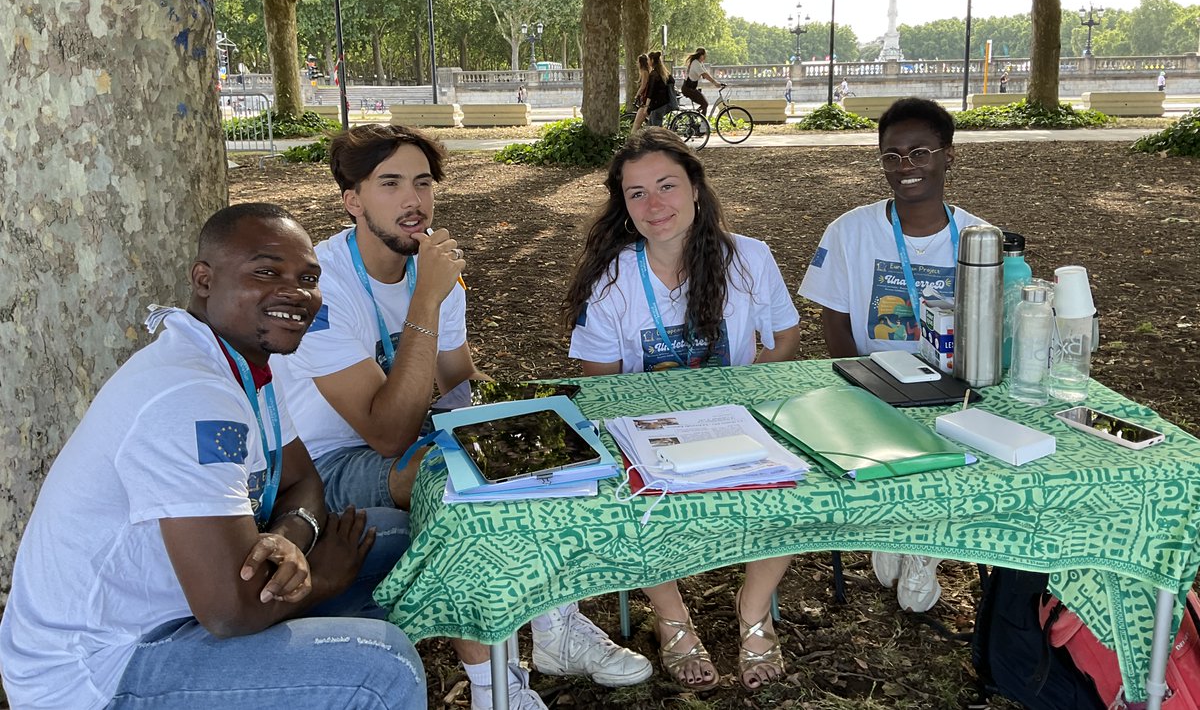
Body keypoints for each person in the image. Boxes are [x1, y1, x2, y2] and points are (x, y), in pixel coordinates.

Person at [273, 124, 651, 710]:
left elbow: (458, 383)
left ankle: (555, 631)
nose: (412, 201)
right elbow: (385, 432)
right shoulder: (325, 284)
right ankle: (494, 690)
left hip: (418, 438)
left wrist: (522, 435)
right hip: (330, 465)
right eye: (390, 183)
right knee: (451, 482)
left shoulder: (439, 274)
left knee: (540, 453)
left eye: (423, 183)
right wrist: (427, 297)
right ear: (353, 201)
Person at [0, 203, 424, 710]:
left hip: (188, 607)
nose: (295, 292)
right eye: (266, 272)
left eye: (309, 277)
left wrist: (288, 540)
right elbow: (232, 611)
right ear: (204, 278)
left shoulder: (244, 369)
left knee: (394, 539)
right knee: (381, 669)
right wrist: (323, 577)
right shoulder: (187, 394)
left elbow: (302, 483)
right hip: (101, 666)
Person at [563, 128, 802, 692]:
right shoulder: (612, 277)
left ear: (697, 188)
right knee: (623, 494)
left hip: (738, 421)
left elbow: (786, 338)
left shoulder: (748, 257)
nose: (655, 205)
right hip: (647, 434)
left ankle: (754, 608)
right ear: (623, 207)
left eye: (667, 185)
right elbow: (594, 385)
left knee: (797, 479)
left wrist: (745, 395)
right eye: (637, 193)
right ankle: (671, 614)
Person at [797, 97, 989, 612]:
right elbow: (833, 316)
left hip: (957, 382)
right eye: (892, 156)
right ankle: (891, 521)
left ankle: (923, 544)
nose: (906, 167)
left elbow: (995, 321)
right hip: (875, 382)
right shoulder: (850, 231)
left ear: (948, 156)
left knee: (959, 440)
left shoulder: (978, 238)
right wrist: (859, 383)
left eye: (920, 153)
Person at [632, 51, 675, 130]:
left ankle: (662, 141)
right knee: (651, 127)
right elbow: (672, 81)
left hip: (657, 105)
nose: (647, 62)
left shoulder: (654, 74)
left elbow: (650, 93)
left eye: (648, 60)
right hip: (664, 103)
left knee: (655, 129)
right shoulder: (663, 72)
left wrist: (646, 107)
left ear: (652, 60)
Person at [681, 47, 723, 114]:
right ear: (701, 55)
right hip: (688, 89)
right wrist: (715, 83)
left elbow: (706, 73)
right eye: (705, 56)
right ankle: (700, 121)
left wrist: (716, 82)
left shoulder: (699, 63)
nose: (705, 58)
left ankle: (698, 117)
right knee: (705, 104)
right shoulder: (695, 63)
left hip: (691, 88)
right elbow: (704, 75)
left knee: (704, 104)